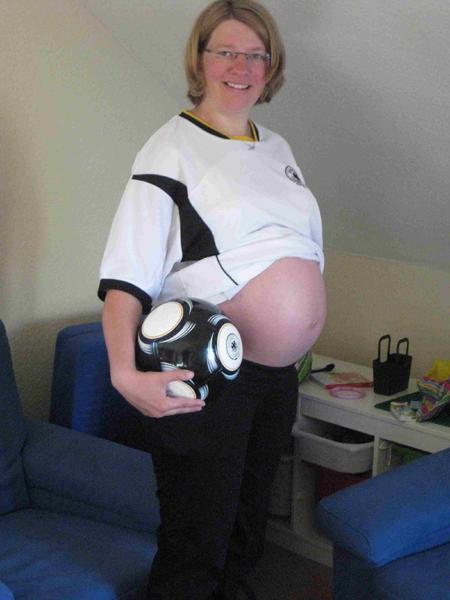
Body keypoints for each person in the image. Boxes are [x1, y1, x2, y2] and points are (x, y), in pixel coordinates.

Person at [98, 1, 326, 598]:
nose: (241, 67)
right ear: (199, 60)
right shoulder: (170, 149)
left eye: (256, 55)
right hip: (209, 373)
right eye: (226, 51)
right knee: (197, 540)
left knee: (248, 533)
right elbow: (126, 276)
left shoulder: (277, 148)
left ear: (271, 66)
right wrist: (123, 373)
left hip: (276, 379)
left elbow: (299, 247)